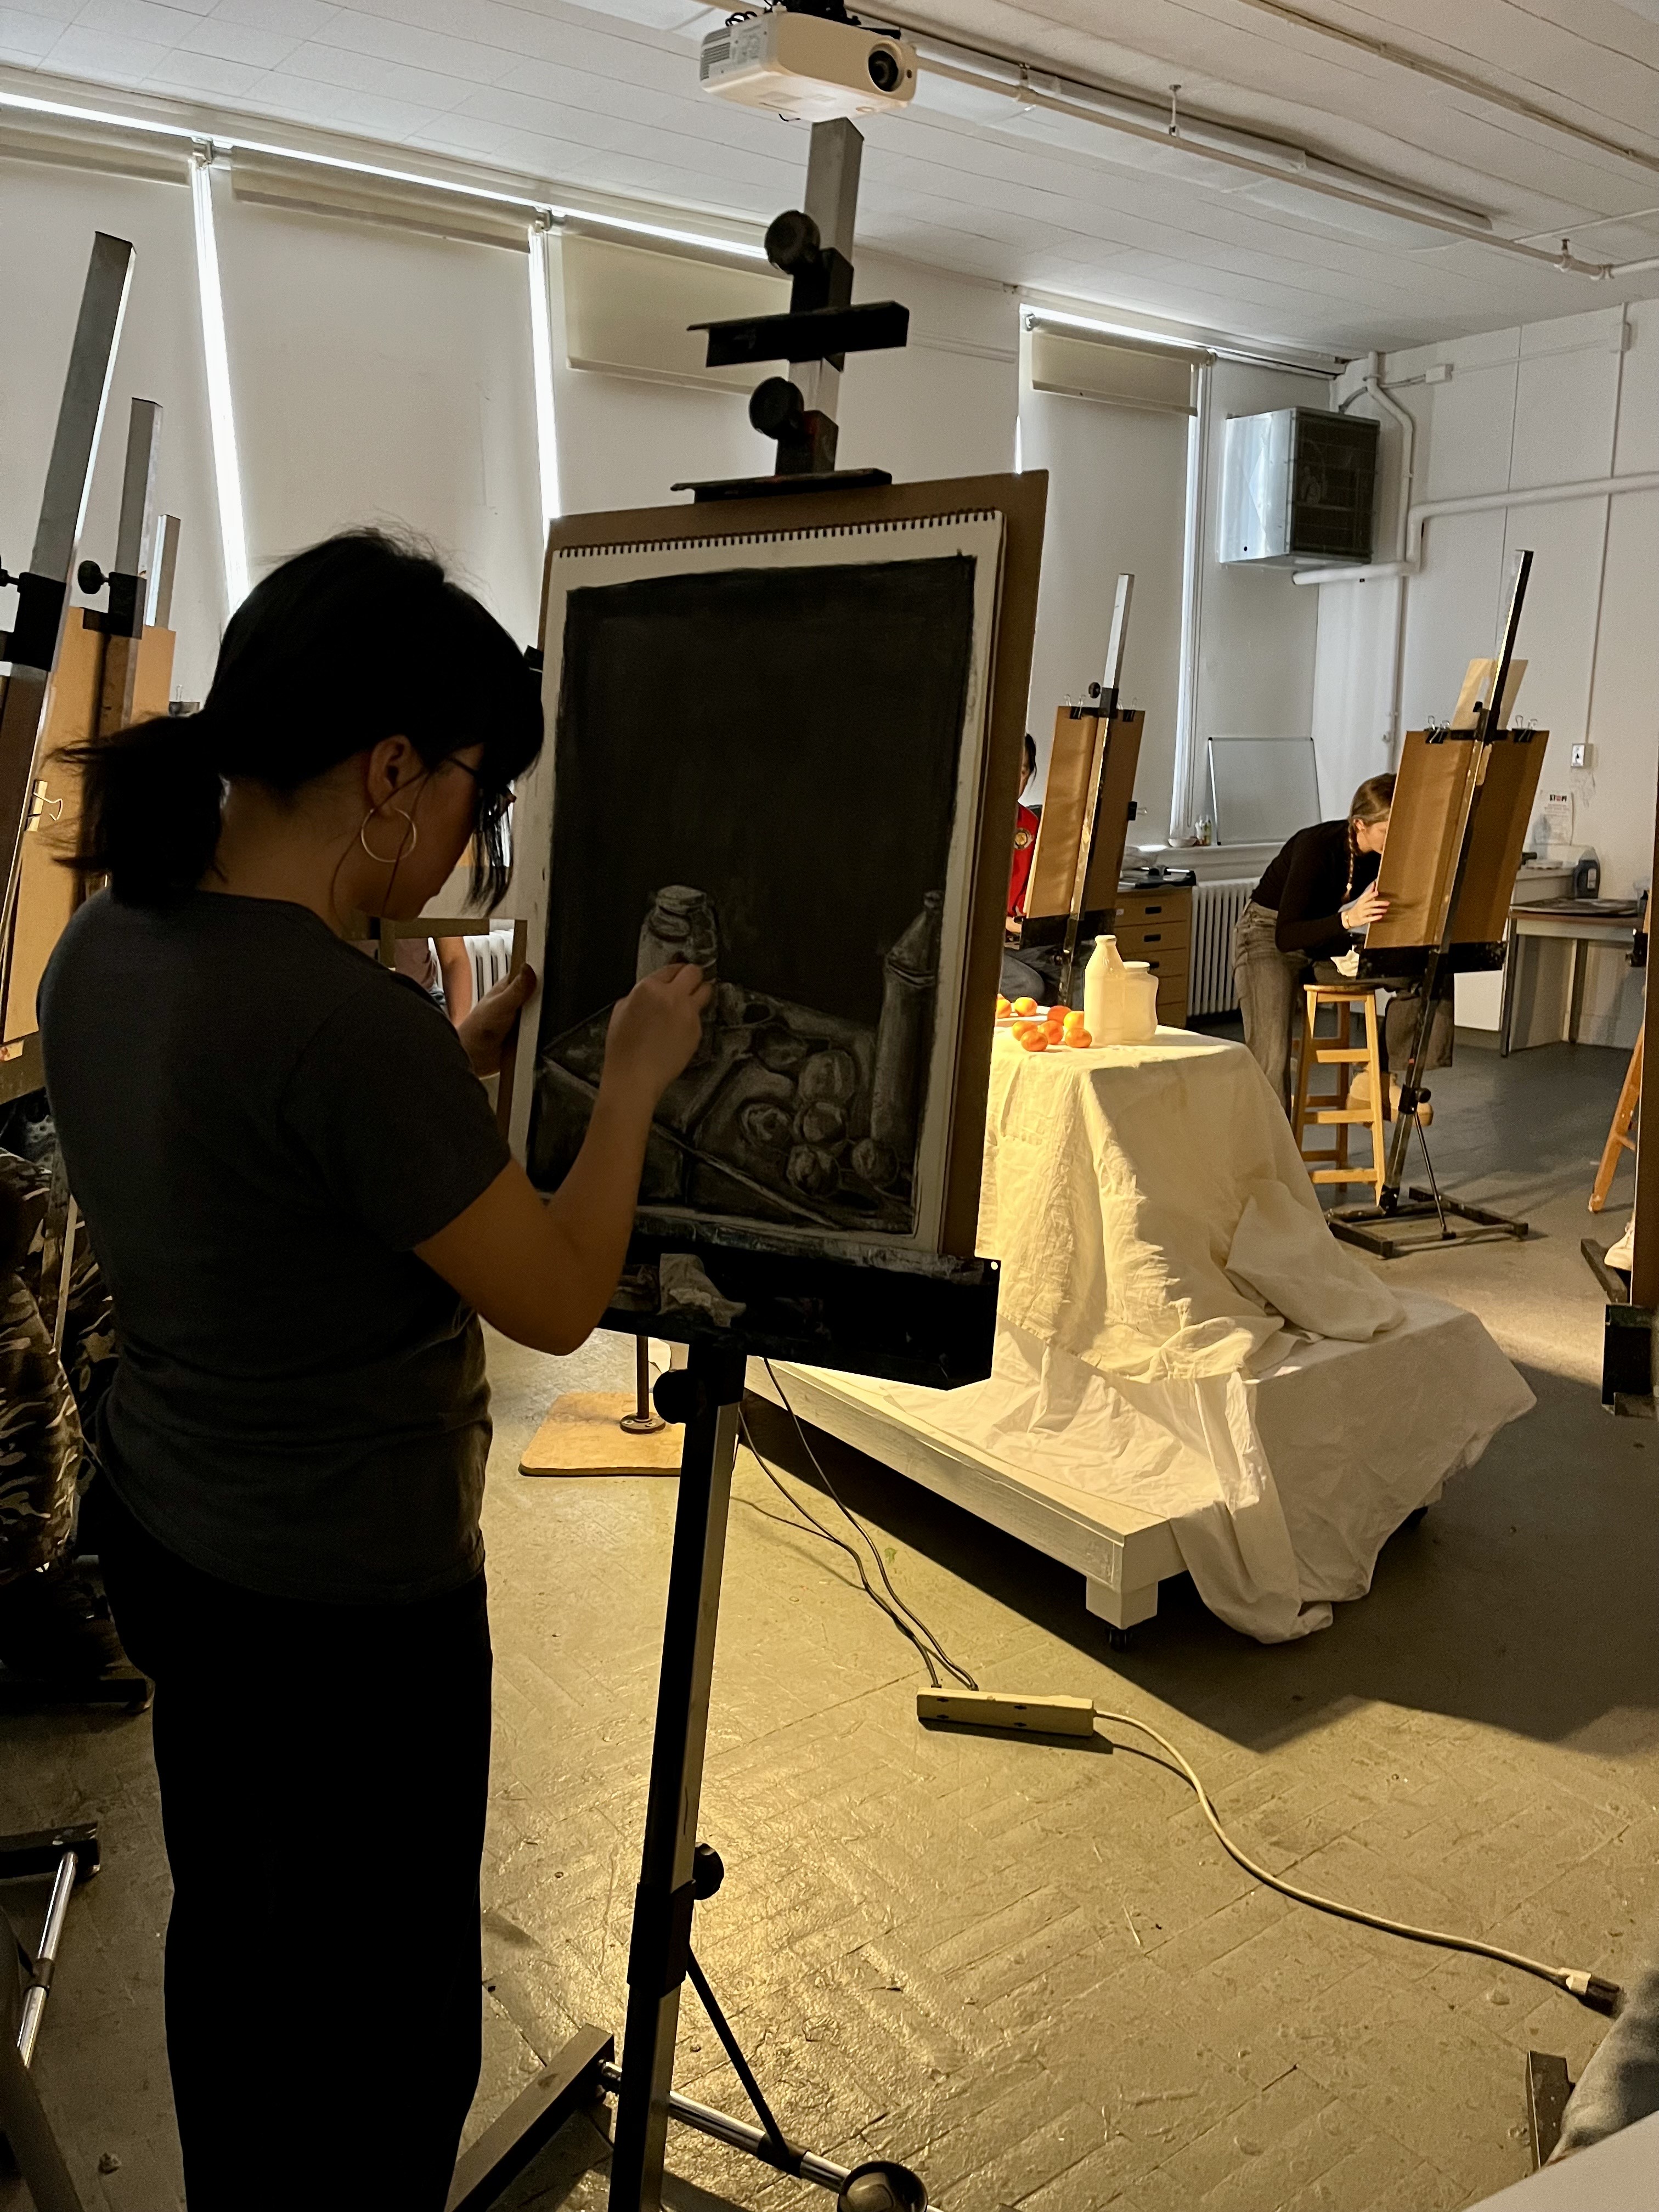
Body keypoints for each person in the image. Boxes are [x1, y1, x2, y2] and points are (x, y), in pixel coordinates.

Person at [38, 530, 711, 2209]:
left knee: (245, 1942)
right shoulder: (347, 1026)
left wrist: (459, 1068)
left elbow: (281, 1198)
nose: (475, 840)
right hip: (352, 1605)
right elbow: (555, 1299)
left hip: (180, 1540)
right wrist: (625, 1079)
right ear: (390, 769)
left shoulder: (106, 947)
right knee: (385, 2021)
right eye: (481, 795)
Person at [1233, 771, 1452, 1114]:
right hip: (1268, 935)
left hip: (1324, 935)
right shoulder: (1316, 847)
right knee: (1272, 1054)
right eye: (1386, 830)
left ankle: (1377, 1076)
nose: (1395, 838)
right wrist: (1350, 919)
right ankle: (1275, 1159)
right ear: (1360, 824)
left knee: (1423, 969)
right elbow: (1287, 935)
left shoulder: (1383, 852)